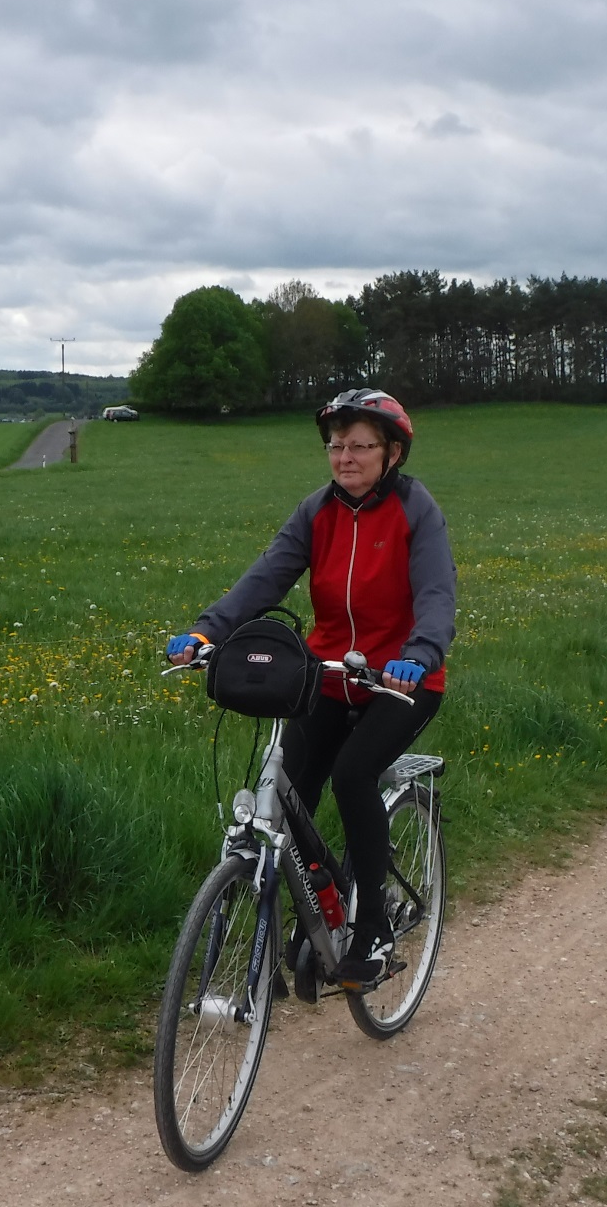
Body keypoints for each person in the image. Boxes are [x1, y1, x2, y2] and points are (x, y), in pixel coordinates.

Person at [165, 388, 454, 981]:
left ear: (393, 453)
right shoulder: (317, 512)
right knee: (291, 793)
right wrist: (206, 630)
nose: (346, 457)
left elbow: (435, 593)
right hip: (328, 674)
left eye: (361, 446)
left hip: (401, 681)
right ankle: (318, 908)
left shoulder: (414, 510)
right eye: (337, 446)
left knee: (353, 775)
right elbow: (266, 577)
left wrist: (418, 655)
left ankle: (372, 931)